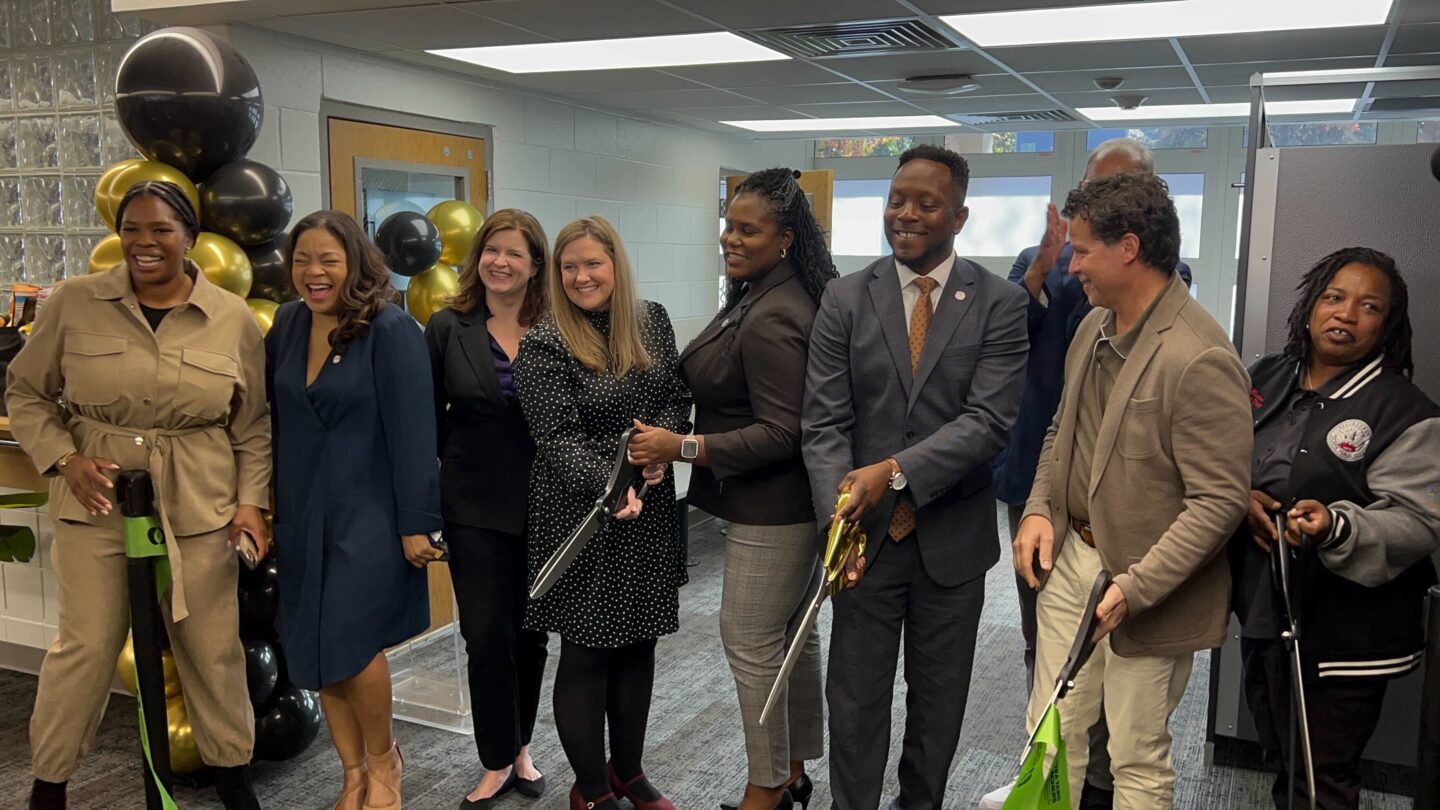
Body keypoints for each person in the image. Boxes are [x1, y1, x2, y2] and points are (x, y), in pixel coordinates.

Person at [7, 181, 270, 810]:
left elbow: (252, 423)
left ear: (190, 239)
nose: (144, 243)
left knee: (212, 651)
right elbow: (26, 392)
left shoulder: (231, 316)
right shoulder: (74, 302)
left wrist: (250, 502)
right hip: (96, 506)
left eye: (160, 230)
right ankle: (49, 786)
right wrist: (63, 459)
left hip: (198, 507)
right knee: (86, 647)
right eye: (132, 229)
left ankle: (234, 782)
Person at [1011, 172, 1251, 809]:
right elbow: (1063, 429)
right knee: (1049, 736)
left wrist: (1136, 586)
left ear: (1129, 248)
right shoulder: (1093, 326)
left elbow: (1220, 502)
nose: (1072, 262)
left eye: (1084, 249)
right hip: (1072, 562)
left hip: (1148, 587)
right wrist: (1038, 509)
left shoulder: (1199, 356)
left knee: (1136, 758)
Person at [801, 144, 1028, 810]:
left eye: (925, 203)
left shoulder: (999, 304)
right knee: (855, 702)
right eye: (897, 199)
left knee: (938, 708)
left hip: (951, 545)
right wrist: (836, 528)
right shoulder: (844, 297)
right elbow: (822, 424)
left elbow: (989, 423)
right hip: (863, 546)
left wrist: (895, 472)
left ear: (959, 215)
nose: (905, 213)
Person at [987, 137, 1193, 810]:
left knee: (1132, 717)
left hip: (1130, 525)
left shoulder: (1174, 305)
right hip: (1050, 491)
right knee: (1050, 676)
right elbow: (1025, 366)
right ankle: (1052, 782)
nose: (1075, 257)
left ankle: (1100, 786)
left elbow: (1211, 496)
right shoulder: (1051, 269)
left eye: (1118, 189)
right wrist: (1040, 275)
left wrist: (1071, 278)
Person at [627, 168, 836, 810]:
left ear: (786, 239)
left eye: (748, 229)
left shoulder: (775, 312)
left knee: (747, 641)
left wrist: (682, 447)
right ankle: (794, 769)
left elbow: (782, 432)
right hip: (778, 506)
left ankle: (765, 786)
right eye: (729, 225)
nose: (730, 238)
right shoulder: (757, 293)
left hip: (774, 510)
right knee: (787, 639)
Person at [1231, 247, 1439, 810]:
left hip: (1344, 631)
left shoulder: (1404, 410)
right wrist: (1237, 495)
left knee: (1321, 779)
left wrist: (1335, 527)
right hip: (1266, 610)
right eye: (1334, 297)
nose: (1345, 315)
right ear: (1310, 304)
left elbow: (1420, 521)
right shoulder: (1266, 375)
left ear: (1388, 323)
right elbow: (1219, 455)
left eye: (1368, 306)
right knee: (1281, 757)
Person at [513, 215, 691, 810]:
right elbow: (556, 437)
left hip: (650, 512)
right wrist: (615, 487)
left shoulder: (652, 320)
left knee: (639, 646)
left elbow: (675, 394)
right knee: (587, 651)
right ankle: (591, 790)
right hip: (584, 518)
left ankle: (629, 773)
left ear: (617, 265)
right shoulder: (544, 341)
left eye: (593, 263)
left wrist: (664, 445)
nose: (581, 276)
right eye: (569, 267)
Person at [266, 210, 441, 810]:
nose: (313, 273)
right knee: (318, 648)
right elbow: (271, 421)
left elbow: (416, 432)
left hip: (368, 511)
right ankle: (351, 772)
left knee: (355, 642)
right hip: (300, 508)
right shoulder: (288, 324)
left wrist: (417, 521)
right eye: (302, 261)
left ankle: (385, 760)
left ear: (355, 265)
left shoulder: (390, 329)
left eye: (328, 261)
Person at [425, 209, 552, 808]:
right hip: (472, 503)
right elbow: (424, 423)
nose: (500, 262)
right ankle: (495, 759)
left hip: (549, 502)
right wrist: (420, 511)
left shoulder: (561, 326)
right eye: (491, 250)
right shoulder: (448, 326)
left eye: (515, 253)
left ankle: (521, 747)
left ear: (535, 266)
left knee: (531, 637)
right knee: (484, 634)